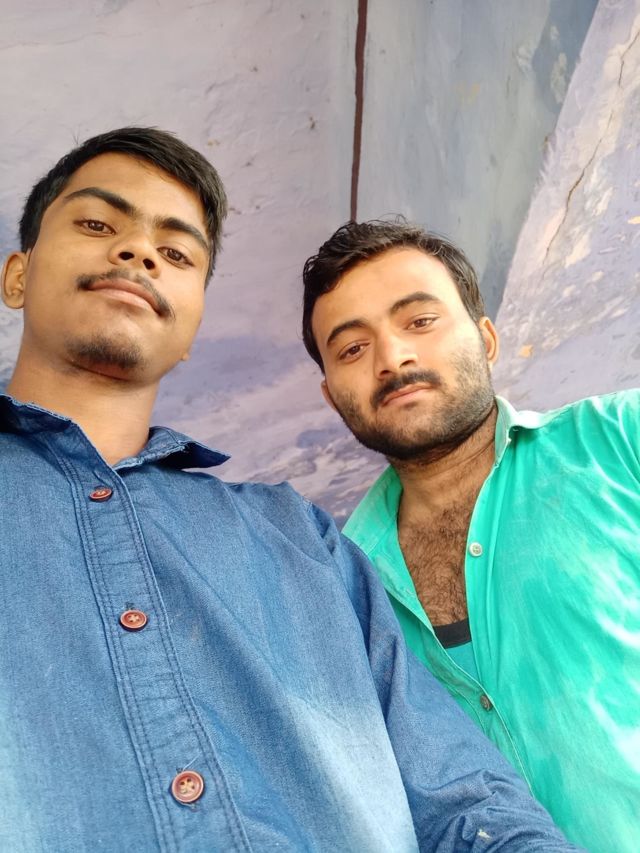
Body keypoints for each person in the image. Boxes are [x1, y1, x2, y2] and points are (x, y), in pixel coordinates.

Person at [0, 129, 581, 853]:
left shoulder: (300, 537)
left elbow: (468, 801)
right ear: (16, 276)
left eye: (177, 253)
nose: (139, 252)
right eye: (96, 224)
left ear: (191, 327)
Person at [302, 218, 639, 853]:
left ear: (486, 338)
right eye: (351, 348)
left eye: (420, 321)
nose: (392, 358)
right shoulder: (340, 584)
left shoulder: (622, 441)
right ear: (331, 396)